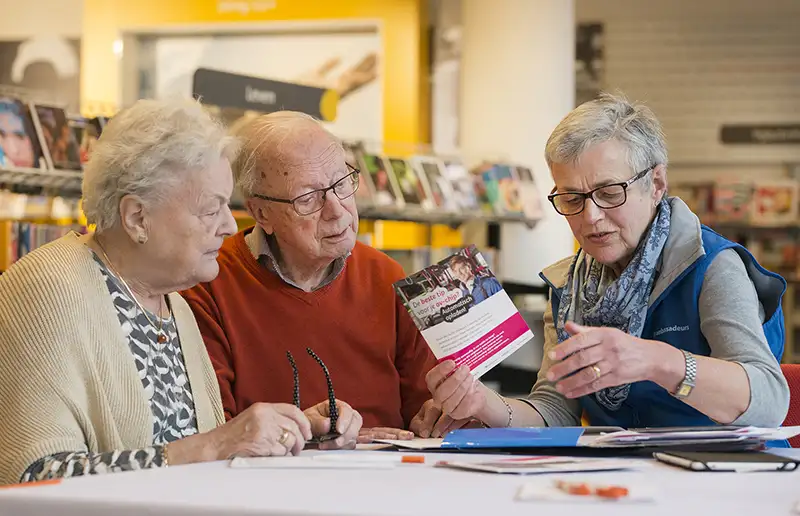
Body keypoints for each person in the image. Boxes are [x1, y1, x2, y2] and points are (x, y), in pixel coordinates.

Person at [0, 98, 361, 486]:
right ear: (138, 217)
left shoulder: (173, 303)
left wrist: (296, 431)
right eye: (211, 209)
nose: (228, 226)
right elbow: (31, 477)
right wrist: (213, 446)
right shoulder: (45, 290)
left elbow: (183, 454)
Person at [423, 92, 790, 437]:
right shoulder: (569, 286)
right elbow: (556, 410)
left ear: (657, 183)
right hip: (620, 478)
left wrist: (656, 360)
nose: (591, 216)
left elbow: (770, 400)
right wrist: (482, 402)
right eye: (571, 198)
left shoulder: (712, 266)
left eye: (610, 193)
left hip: (718, 480)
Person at [181, 111, 455, 442]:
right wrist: (308, 436)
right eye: (309, 198)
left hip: (388, 480)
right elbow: (213, 434)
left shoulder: (385, 275)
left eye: (342, 184)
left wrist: (438, 413)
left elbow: (423, 409)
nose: (337, 209)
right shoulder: (209, 286)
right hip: (267, 485)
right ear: (261, 213)